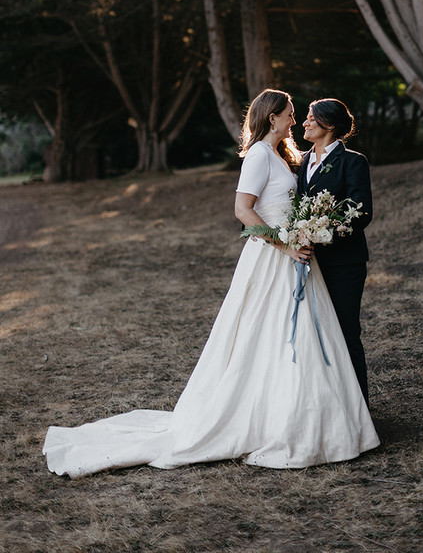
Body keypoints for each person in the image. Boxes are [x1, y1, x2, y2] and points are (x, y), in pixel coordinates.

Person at [43, 89, 379, 478]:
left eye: (300, 114)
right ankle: (278, 418)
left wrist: (309, 235)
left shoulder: (290, 157)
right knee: (269, 334)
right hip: (277, 256)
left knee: (307, 336)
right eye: (290, 113)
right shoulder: (261, 155)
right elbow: (243, 209)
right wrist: (286, 244)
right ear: (272, 118)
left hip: (305, 259)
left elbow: (327, 206)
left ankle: (330, 414)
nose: (296, 119)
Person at [299, 98, 373, 405]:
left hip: (344, 264)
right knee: (314, 333)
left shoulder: (352, 161)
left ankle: (358, 408)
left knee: (345, 331)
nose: (305, 123)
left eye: (311, 118)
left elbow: (361, 212)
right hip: (307, 263)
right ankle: (328, 406)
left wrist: (322, 233)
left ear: (328, 124)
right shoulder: (301, 161)